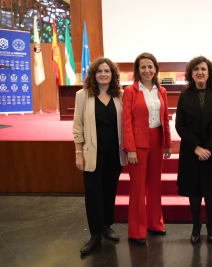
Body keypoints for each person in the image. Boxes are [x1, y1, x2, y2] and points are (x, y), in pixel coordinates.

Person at [175, 56, 212, 244]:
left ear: (209, 73)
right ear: (191, 74)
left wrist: (207, 148)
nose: (200, 72)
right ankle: (196, 226)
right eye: (196, 69)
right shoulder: (185, 95)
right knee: (194, 191)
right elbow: (180, 125)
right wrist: (197, 148)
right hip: (192, 151)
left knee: (211, 191)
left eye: (203, 69)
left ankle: (211, 225)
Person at [73, 57, 127, 254]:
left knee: (109, 189)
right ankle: (95, 234)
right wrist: (78, 153)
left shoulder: (120, 95)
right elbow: (77, 126)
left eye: (107, 71)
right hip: (92, 152)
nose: (103, 74)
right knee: (93, 192)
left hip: (115, 152)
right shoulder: (82, 95)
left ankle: (106, 225)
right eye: (99, 71)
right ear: (93, 75)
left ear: (112, 75)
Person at [122, 52, 172, 245]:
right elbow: (126, 122)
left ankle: (155, 223)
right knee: (137, 187)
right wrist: (131, 148)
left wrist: (167, 143)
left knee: (155, 185)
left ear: (155, 69)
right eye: (143, 67)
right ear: (137, 70)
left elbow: (165, 118)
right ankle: (136, 230)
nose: (147, 70)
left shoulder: (162, 91)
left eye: (150, 66)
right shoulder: (130, 91)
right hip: (138, 143)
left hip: (157, 139)